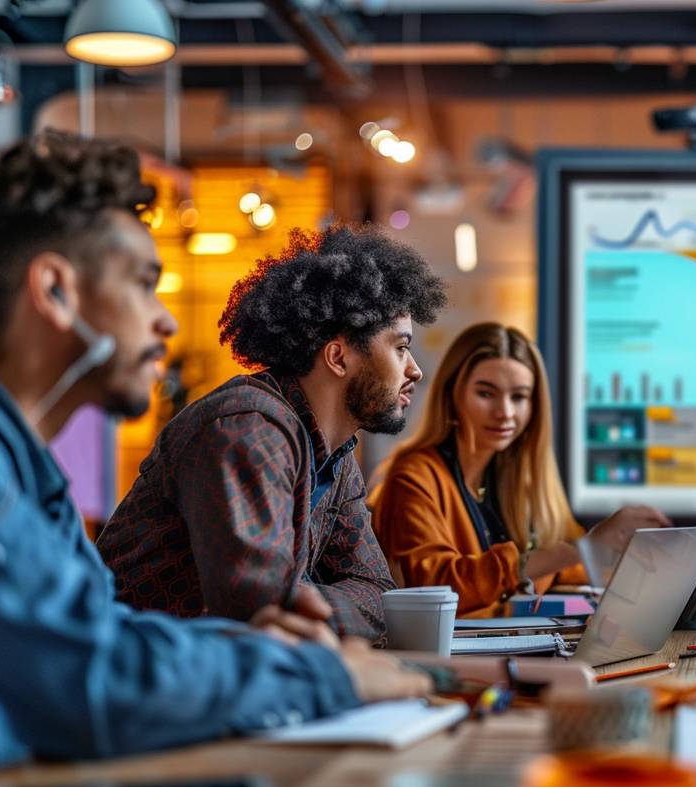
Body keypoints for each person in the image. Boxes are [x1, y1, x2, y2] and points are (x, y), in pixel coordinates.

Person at [0, 133, 429, 787]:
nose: (168, 319)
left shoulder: (29, 478)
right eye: (144, 284)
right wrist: (319, 674)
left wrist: (268, 658)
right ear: (55, 291)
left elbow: (104, 638)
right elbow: (83, 676)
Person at [98, 225, 447, 639]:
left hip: (214, 682)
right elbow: (263, 615)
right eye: (400, 347)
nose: (415, 370)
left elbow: (377, 592)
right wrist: (311, 605)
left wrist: (305, 603)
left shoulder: (335, 453)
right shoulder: (247, 428)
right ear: (338, 357)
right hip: (136, 683)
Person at [369, 323, 671, 614]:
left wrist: (630, 559)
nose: (505, 413)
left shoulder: (521, 482)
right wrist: (579, 549)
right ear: (452, 395)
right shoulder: (413, 477)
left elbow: (570, 572)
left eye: (519, 397)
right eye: (486, 393)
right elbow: (436, 587)